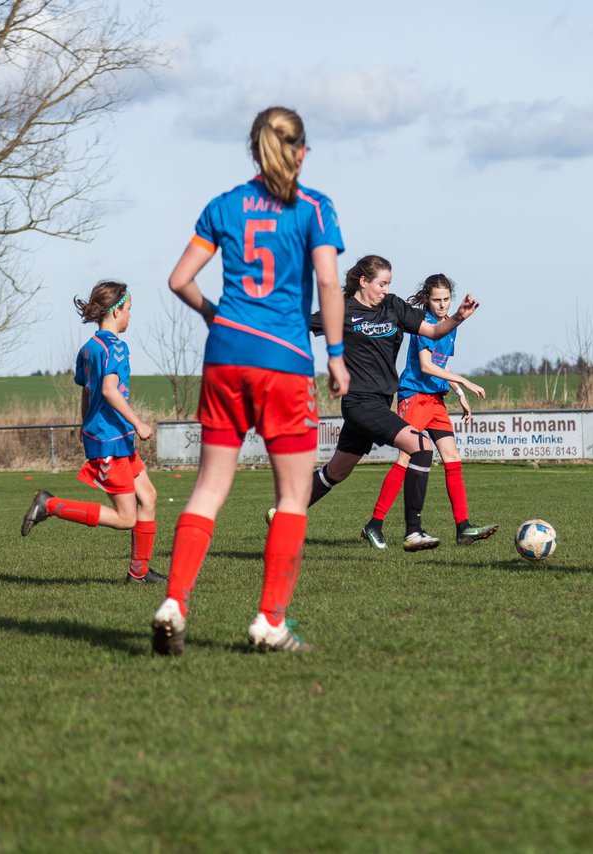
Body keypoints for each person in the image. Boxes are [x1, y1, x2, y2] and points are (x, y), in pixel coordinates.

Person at [150, 105, 349, 656]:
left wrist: (215, 315)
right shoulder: (315, 208)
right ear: (301, 151)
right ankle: (269, 621)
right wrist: (335, 355)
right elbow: (330, 285)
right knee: (292, 494)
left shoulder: (225, 205)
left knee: (209, 488)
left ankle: (174, 603)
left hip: (224, 355)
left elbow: (178, 279)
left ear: (254, 150)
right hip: (283, 359)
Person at [294, 255, 480, 551]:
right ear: (363, 281)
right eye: (381, 283)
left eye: (388, 283)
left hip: (381, 402)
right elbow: (296, 323)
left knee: (337, 471)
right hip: (359, 403)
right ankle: (413, 532)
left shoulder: (393, 306)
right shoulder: (340, 310)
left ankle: (287, 510)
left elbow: (433, 331)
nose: (385, 289)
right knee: (420, 446)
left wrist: (458, 317)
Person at [20, 281, 162, 584]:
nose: (130, 316)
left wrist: (85, 426)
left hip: (113, 438)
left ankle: (139, 572)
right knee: (127, 518)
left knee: (148, 496)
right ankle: (50, 505)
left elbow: (87, 392)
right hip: (111, 440)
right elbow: (110, 391)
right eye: (129, 309)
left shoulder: (88, 349)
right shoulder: (115, 347)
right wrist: (139, 423)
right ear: (116, 310)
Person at [361, 274, 498, 550]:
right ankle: (374, 524)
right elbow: (426, 366)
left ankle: (463, 528)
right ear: (427, 299)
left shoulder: (451, 326)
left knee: (452, 457)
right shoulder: (424, 325)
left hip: (435, 400)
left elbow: (441, 365)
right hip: (414, 397)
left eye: (446, 299)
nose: (442, 305)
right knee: (404, 457)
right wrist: (465, 381)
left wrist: (459, 395)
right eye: (436, 300)